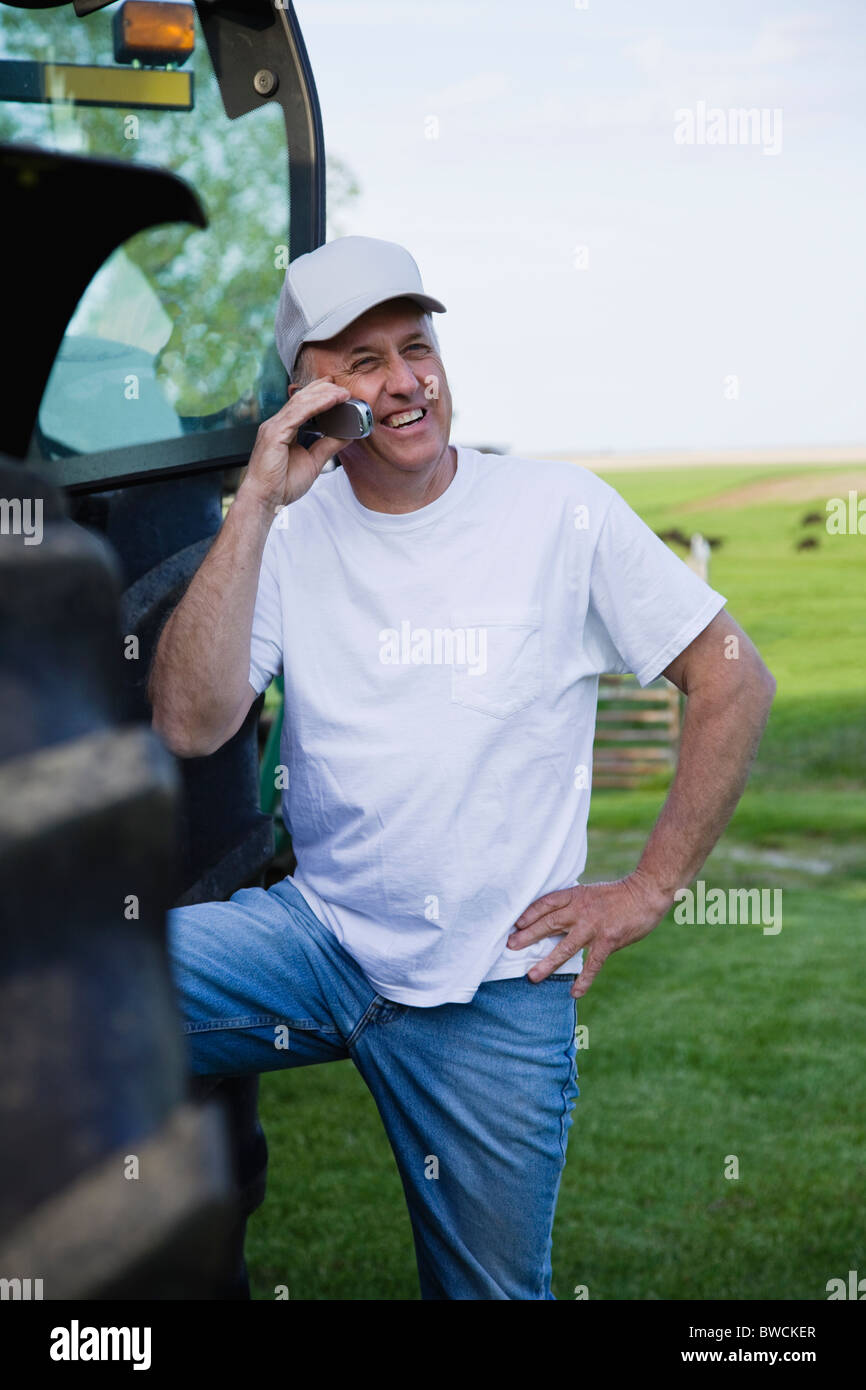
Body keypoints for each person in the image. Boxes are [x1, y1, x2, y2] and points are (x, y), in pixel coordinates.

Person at [149, 235, 775, 1300]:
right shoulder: (289, 534)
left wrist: (646, 888)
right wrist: (253, 503)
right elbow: (188, 723)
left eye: (416, 346)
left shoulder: (555, 511)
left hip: (494, 987)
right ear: (305, 396)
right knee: (64, 987)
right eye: (360, 362)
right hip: (318, 940)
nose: (403, 382)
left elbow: (734, 680)